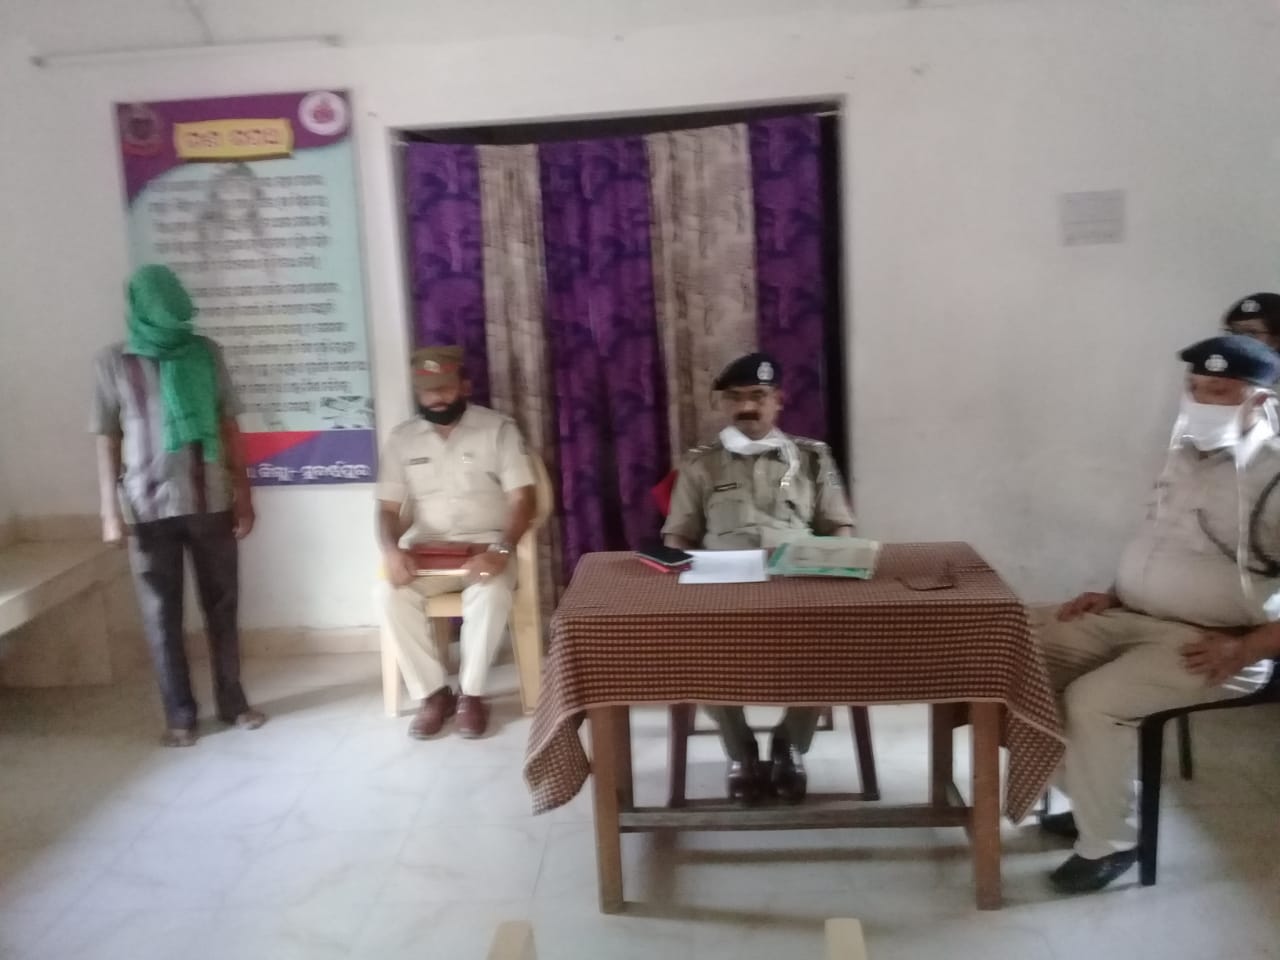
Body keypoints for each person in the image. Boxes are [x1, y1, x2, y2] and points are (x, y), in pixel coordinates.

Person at [1038, 334, 1280, 894]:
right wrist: (1115, 594)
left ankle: (1111, 843)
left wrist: (1247, 648)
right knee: (1013, 659)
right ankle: (1092, 799)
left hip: (1220, 642)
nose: (1202, 402)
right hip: (1134, 615)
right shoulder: (1183, 454)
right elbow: (1165, 544)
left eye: (1220, 392)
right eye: (1195, 389)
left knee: (1094, 701)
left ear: (1261, 401)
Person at [662, 351, 856, 803]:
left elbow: (839, 527)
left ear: (779, 400)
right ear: (724, 404)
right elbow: (678, 536)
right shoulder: (700, 464)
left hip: (797, 582)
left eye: (758, 395)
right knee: (696, 647)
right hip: (723, 588)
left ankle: (790, 744)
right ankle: (740, 750)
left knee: (833, 642)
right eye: (736, 398)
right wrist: (680, 585)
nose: (747, 406)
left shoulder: (812, 458)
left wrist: (834, 568)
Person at [91, 264, 264, 747]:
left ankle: (233, 703)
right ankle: (180, 715)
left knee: (223, 606)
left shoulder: (206, 352)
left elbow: (228, 425)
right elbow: (106, 438)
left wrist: (245, 494)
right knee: (160, 614)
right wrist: (109, 511)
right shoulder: (112, 362)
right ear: (139, 306)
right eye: (158, 304)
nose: (170, 312)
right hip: (146, 506)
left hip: (210, 498)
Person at [375, 346, 536, 740]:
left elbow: (523, 500)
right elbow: (387, 509)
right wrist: (392, 551)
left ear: (465, 385)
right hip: (429, 550)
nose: (437, 398)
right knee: (388, 593)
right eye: (427, 390)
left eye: (445, 388)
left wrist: (501, 550)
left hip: (487, 547)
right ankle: (433, 695)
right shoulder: (402, 440)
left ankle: (471, 695)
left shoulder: (498, 430)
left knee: (491, 593)